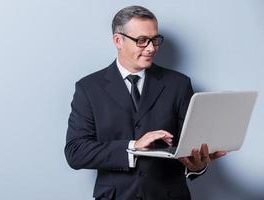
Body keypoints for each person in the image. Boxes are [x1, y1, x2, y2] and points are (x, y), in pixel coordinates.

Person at [65, 5, 226, 200]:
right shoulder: (89, 88)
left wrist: (197, 166)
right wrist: (133, 146)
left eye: (155, 40)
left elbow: (189, 145)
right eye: (142, 41)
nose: (151, 48)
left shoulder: (179, 84)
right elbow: (76, 152)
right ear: (118, 40)